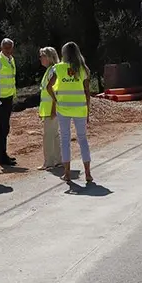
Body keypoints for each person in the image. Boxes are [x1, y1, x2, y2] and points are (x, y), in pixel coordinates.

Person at [48, 41, 92, 185]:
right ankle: (88, 173)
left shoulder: (58, 68)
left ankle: (67, 173)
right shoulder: (83, 69)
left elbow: (49, 87)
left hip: (64, 108)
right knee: (83, 140)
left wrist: (56, 99)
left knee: (65, 140)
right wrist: (88, 111)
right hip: (80, 108)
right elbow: (87, 92)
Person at [0, 38, 18, 167]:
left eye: (10, 47)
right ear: (1, 47)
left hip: (8, 97)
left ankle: (3, 154)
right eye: (6, 47)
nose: (8, 50)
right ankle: (1, 157)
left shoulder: (11, 59)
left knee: (5, 127)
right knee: (1, 128)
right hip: (0, 98)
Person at [37, 46, 61, 171]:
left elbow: (54, 91)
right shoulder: (50, 70)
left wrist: (53, 108)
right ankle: (58, 160)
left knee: (48, 136)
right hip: (48, 108)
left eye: (42, 56)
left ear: (48, 57)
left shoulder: (53, 70)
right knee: (55, 135)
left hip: (51, 109)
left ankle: (49, 162)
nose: (40, 58)